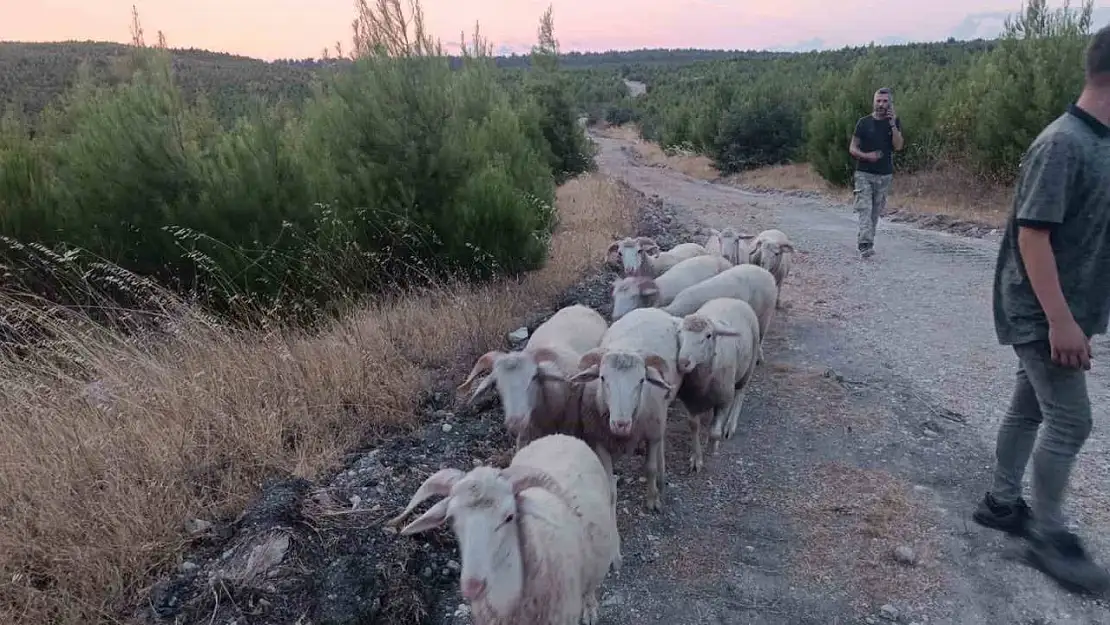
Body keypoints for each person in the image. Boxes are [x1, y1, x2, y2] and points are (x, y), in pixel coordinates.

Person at [973, 23, 1110, 595]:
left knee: (1030, 408)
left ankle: (1003, 503)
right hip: (1041, 311)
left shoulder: (1100, 143)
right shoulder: (1063, 144)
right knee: (1072, 420)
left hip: (1067, 309)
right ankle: (1048, 535)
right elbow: (1033, 237)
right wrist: (1060, 320)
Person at [848, 87, 904, 258]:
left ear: (890, 103)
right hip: (864, 173)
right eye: (878, 101)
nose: (881, 104)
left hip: (884, 175)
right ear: (873, 102)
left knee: (875, 211)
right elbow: (852, 147)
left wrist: (893, 124)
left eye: (885, 101)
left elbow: (898, 146)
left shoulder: (894, 122)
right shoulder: (863, 123)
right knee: (864, 208)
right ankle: (865, 244)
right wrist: (867, 156)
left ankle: (867, 240)